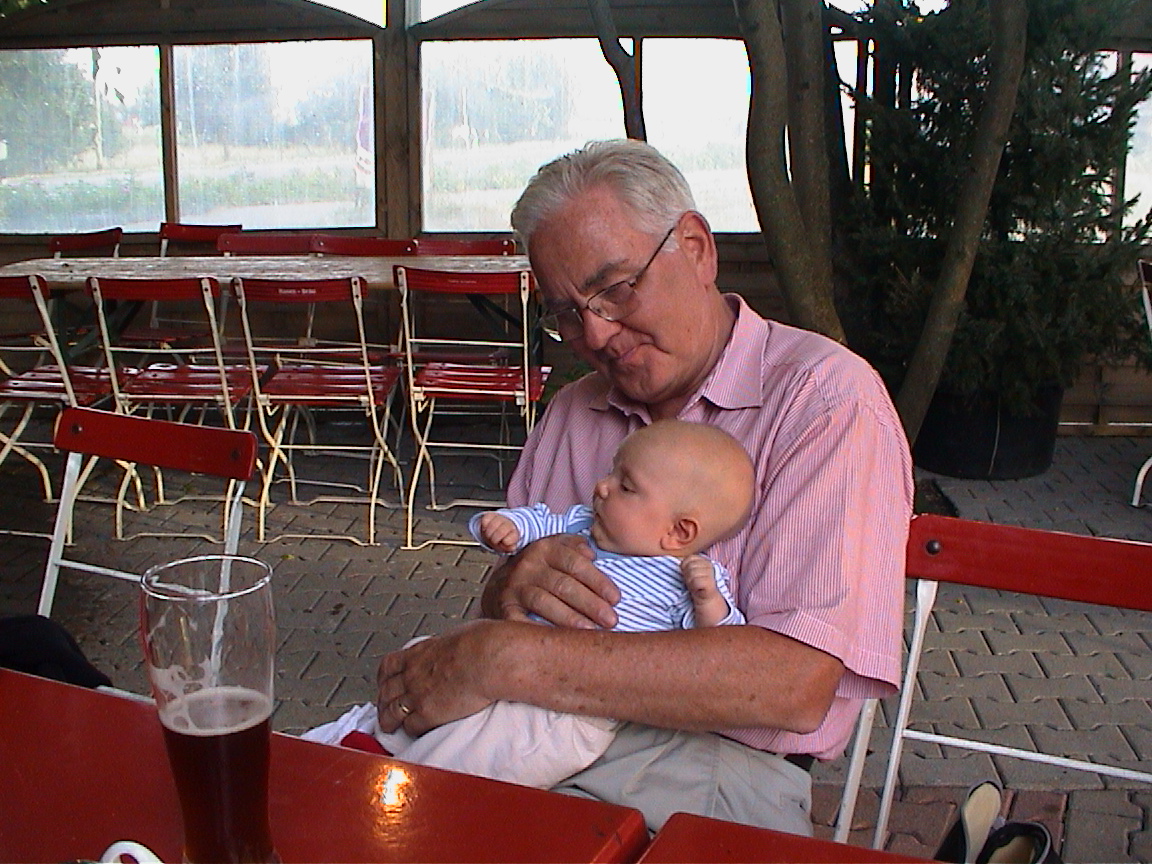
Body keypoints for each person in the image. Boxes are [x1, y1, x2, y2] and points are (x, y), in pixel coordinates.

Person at [376, 138, 914, 836]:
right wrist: (508, 591)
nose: (596, 334)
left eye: (615, 289)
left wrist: (505, 658)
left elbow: (795, 684)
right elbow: (503, 601)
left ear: (695, 248)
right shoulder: (575, 410)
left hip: (715, 773)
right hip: (535, 732)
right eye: (567, 313)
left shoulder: (827, 402)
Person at [303, 419, 755, 789]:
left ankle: (410, 777)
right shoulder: (582, 523)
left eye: (626, 486)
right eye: (611, 473)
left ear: (679, 532)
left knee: (496, 748)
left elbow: (721, 648)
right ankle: (371, 737)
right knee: (431, 659)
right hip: (510, 667)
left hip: (579, 710)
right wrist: (505, 528)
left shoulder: (686, 577)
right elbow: (537, 520)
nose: (601, 486)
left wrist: (708, 603)